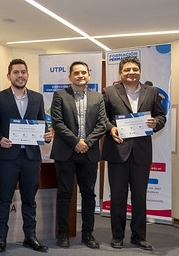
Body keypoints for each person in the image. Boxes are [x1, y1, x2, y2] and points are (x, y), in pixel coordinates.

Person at [102, 56, 166, 251]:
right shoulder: (109, 92)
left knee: (140, 196)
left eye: (135, 69)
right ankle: (117, 236)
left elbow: (161, 116)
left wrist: (156, 123)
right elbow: (102, 117)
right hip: (117, 151)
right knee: (119, 197)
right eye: (127, 70)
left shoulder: (152, 92)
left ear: (140, 71)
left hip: (141, 153)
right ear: (120, 73)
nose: (131, 72)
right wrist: (111, 129)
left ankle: (139, 236)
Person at [0, 58, 53, 253]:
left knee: (29, 199)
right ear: (9, 76)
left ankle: (30, 237)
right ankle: (2, 237)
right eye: (16, 72)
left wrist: (48, 135)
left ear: (27, 75)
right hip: (8, 157)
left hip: (31, 158)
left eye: (23, 72)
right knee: (4, 199)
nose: (20, 75)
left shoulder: (37, 98)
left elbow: (42, 123)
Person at [50, 61, 107, 249]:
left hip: (89, 153)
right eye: (76, 73)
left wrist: (87, 143)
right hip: (65, 152)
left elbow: (102, 124)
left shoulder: (98, 97)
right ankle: (63, 234)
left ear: (89, 75)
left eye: (84, 72)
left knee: (89, 195)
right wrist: (76, 142)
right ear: (70, 77)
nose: (80, 75)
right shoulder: (60, 95)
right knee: (65, 194)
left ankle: (88, 234)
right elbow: (57, 122)